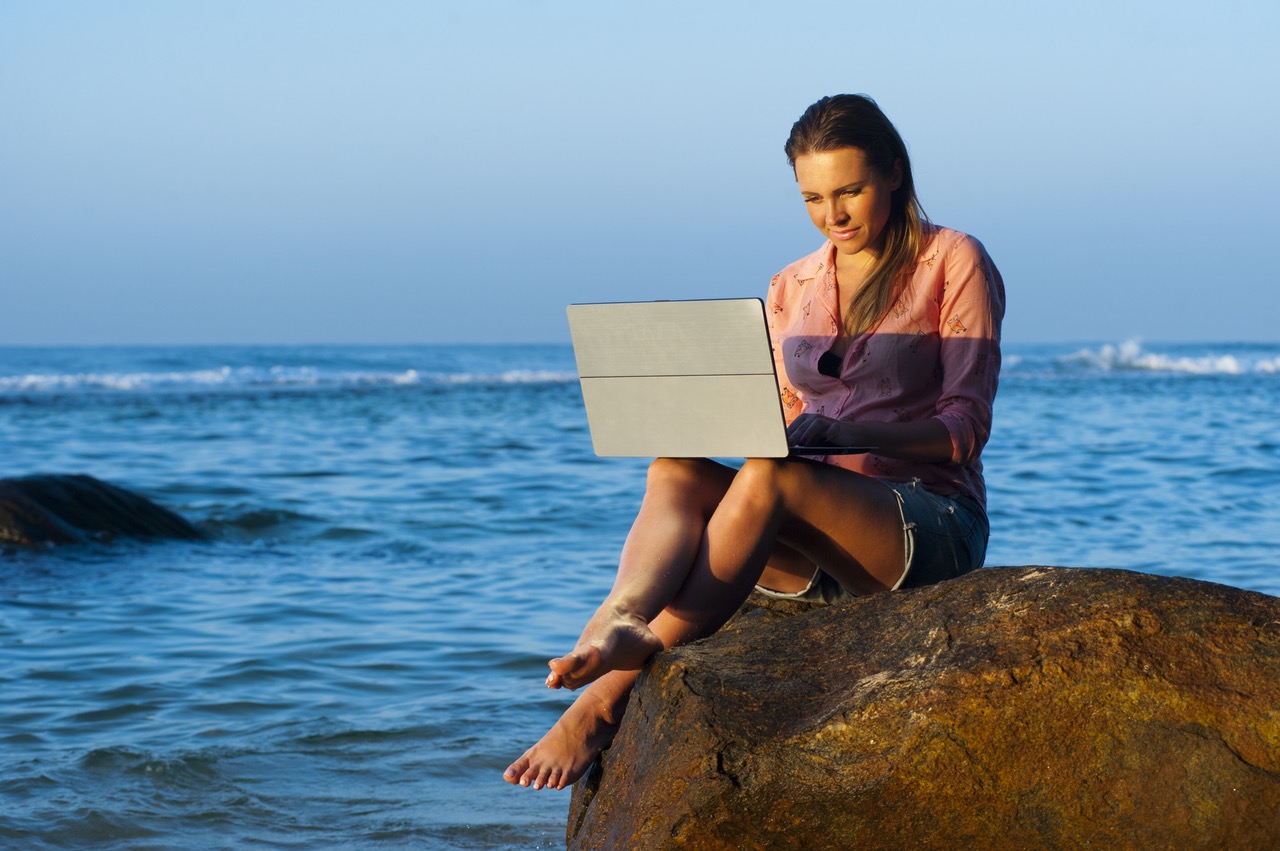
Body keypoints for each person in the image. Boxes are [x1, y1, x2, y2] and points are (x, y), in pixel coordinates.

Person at [504, 94, 1005, 791]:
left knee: (771, 478)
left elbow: (965, 430)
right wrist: (720, 418)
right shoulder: (790, 284)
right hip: (806, 539)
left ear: (894, 171)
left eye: (851, 191)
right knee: (676, 465)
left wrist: (851, 432)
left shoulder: (953, 260)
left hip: (922, 523)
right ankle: (619, 613)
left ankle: (602, 701)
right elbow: (781, 416)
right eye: (813, 198)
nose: (833, 216)